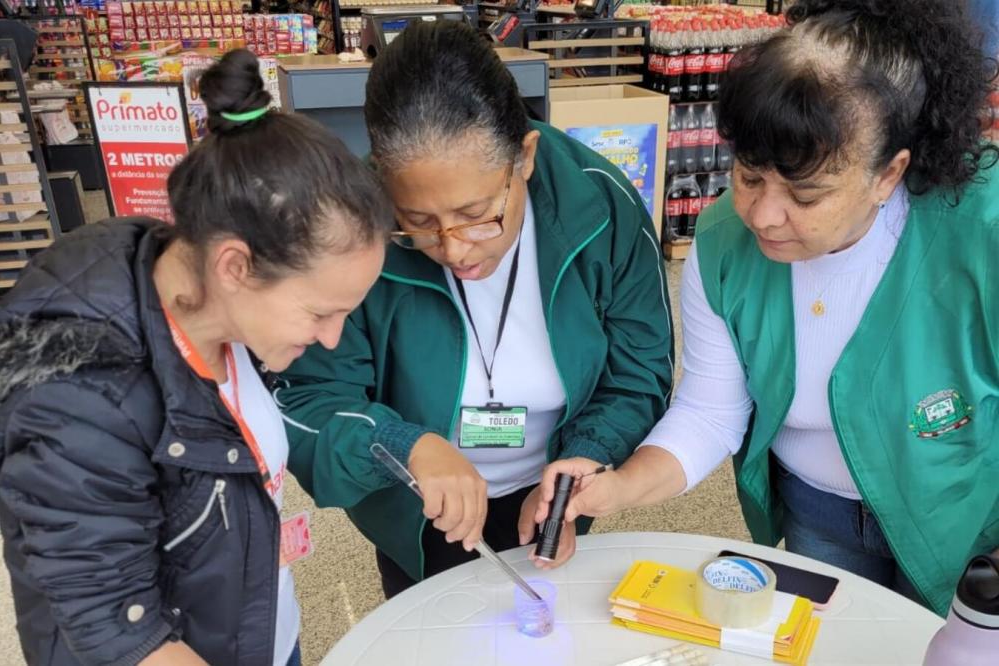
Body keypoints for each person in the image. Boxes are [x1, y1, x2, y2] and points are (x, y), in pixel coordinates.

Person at [539, 0, 999, 616]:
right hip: (816, 513)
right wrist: (621, 485)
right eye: (750, 175)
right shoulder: (726, 240)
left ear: (889, 174)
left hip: (963, 520)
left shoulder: (980, 231)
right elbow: (710, 410)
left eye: (806, 193)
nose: (762, 214)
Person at [0, 50, 393, 665]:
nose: (333, 338)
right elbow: (115, 627)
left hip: (254, 630)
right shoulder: (79, 392)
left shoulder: (219, 309)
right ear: (235, 265)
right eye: (320, 313)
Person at [274, 20, 674, 598]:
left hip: (551, 496)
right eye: (418, 223)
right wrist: (398, 443)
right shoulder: (349, 227)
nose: (455, 249)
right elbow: (309, 399)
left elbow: (638, 375)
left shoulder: (601, 209)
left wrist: (582, 462)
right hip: (418, 514)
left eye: (478, 213)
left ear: (525, 158)